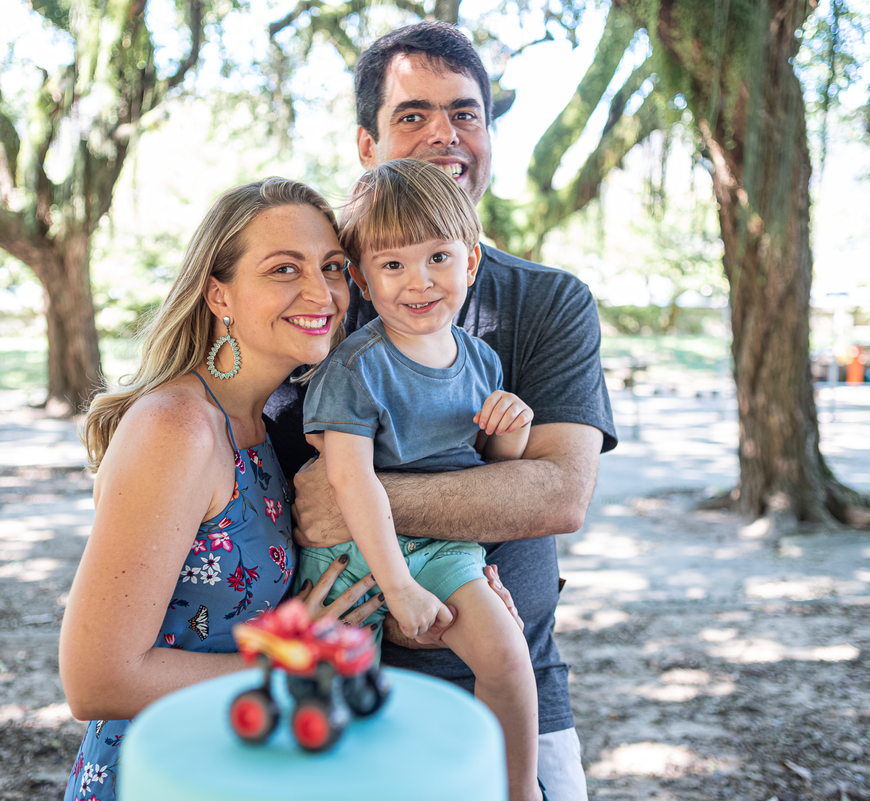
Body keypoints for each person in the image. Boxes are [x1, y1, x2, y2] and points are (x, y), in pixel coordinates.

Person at [263, 22, 618, 801]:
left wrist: (360, 498)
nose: (444, 136)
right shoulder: (320, 309)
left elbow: (558, 493)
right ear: (367, 144)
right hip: (348, 670)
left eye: (465, 114)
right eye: (412, 115)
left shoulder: (544, 303)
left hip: (507, 678)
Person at [59, 178, 386, 801]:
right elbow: (95, 679)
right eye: (284, 269)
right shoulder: (177, 427)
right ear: (219, 293)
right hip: (157, 773)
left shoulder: (257, 425)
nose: (321, 292)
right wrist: (282, 660)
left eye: (333, 267)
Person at [297, 158, 541, 801]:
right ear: (363, 278)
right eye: (394, 264)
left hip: (444, 549)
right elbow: (349, 484)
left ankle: (518, 792)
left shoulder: (480, 358)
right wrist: (396, 587)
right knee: (335, 710)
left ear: (471, 262)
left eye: (438, 256)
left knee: (509, 659)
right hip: (349, 558)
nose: (419, 281)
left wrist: (509, 426)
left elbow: (495, 469)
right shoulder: (355, 368)